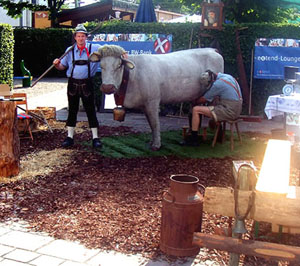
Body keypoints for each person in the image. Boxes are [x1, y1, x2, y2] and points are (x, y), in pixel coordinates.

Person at [53, 24, 102, 149]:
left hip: (87, 83)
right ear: (75, 37)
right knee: (72, 111)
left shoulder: (95, 48)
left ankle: (95, 138)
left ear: (86, 37)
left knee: (91, 110)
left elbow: (109, 50)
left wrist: (122, 54)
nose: (80, 38)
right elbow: (62, 67)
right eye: (78, 36)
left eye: (83, 36)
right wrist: (57, 64)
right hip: (73, 84)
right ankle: (69, 137)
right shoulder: (69, 50)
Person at [184, 70, 243, 146]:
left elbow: (203, 100)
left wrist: (193, 101)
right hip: (236, 108)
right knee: (212, 108)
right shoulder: (227, 76)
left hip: (229, 111)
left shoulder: (217, 84)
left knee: (196, 109)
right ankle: (219, 136)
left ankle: (193, 139)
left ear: (211, 81)